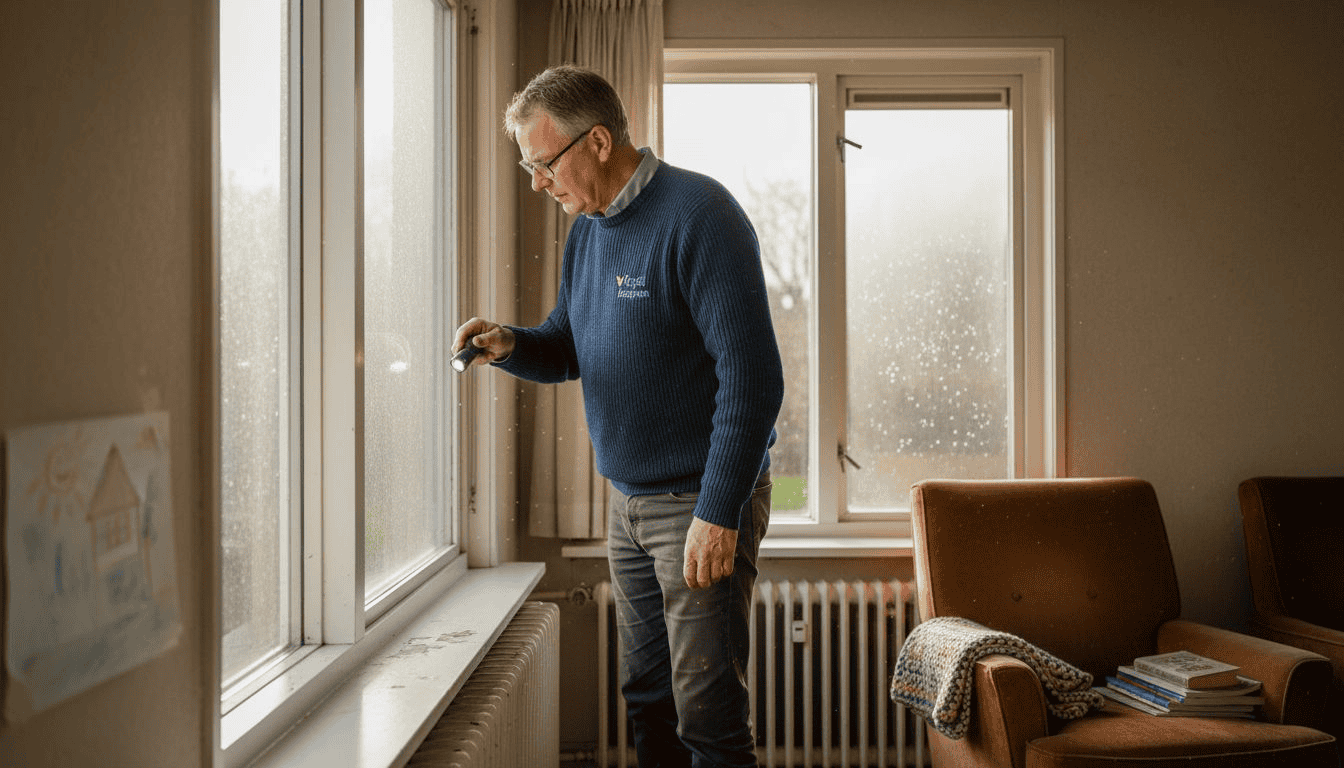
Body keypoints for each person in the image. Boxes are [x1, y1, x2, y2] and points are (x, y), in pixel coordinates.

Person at [452, 65, 784, 768]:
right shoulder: (589, 232)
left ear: (597, 141)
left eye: (543, 164)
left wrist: (719, 512)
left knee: (708, 716)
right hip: (629, 506)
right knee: (647, 699)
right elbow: (570, 347)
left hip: (698, 503)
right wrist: (510, 345)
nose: (538, 183)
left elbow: (754, 383)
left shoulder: (701, 215)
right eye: (528, 167)